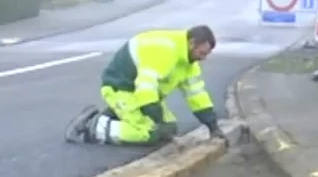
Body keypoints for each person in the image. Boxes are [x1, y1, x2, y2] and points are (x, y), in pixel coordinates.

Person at [65, 26, 223, 146]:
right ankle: (92, 126)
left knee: (169, 128)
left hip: (138, 92)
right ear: (191, 43)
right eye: (202, 53)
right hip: (120, 87)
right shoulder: (166, 51)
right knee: (149, 133)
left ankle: (116, 114)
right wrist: (156, 119)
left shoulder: (189, 63)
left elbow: (196, 95)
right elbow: (146, 88)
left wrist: (212, 126)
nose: (203, 59)